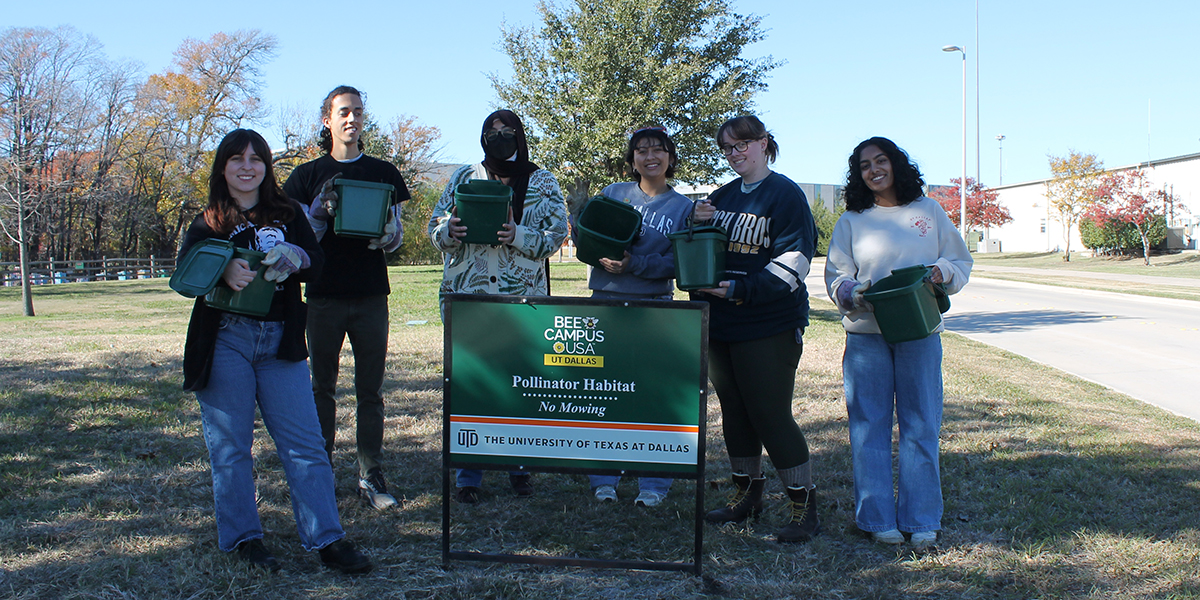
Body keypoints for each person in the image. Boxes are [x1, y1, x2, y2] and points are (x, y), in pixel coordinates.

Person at [178, 128, 372, 574]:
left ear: (266, 166)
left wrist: (296, 257)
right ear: (223, 167)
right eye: (237, 159)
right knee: (231, 448)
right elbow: (185, 275)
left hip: (279, 342)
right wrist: (221, 266)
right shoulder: (209, 221)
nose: (247, 167)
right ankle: (244, 539)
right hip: (225, 339)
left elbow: (316, 263)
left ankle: (328, 538)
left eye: (256, 159)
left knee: (304, 444)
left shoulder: (286, 213)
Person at [824, 137, 972, 548]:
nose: (874, 170)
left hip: (919, 335)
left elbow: (959, 261)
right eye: (865, 165)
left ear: (896, 163)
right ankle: (875, 518)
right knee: (868, 427)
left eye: (881, 160)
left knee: (921, 424)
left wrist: (942, 272)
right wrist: (852, 291)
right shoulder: (852, 220)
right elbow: (836, 275)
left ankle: (922, 518)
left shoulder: (928, 210)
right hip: (867, 340)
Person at [566, 126, 714, 507]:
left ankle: (654, 482)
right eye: (642, 150)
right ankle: (603, 477)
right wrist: (595, 249)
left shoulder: (683, 208)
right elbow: (587, 236)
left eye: (659, 150)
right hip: (606, 303)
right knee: (603, 391)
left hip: (654, 305)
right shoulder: (614, 194)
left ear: (670, 157)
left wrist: (636, 264)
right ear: (632, 160)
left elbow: (679, 264)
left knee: (654, 393)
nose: (651, 156)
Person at [428, 109, 568, 504]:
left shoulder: (541, 182)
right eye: (492, 131)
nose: (500, 137)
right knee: (472, 383)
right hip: (468, 297)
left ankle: (519, 467)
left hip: (522, 300)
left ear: (521, 136)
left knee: (519, 381)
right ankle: (468, 473)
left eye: (508, 132)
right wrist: (448, 231)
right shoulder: (464, 176)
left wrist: (517, 234)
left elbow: (557, 234)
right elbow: (434, 226)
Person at [693, 115, 821, 543]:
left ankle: (804, 505)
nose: (735, 153)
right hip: (722, 322)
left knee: (769, 412)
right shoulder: (721, 195)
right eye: (727, 148)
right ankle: (747, 496)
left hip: (768, 322)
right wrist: (698, 221)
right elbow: (701, 251)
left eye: (742, 144)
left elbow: (795, 263)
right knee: (734, 411)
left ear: (764, 143)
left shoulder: (785, 196)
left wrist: (741, 288)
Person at [283, 86, 411, 511]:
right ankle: (318, 475)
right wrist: (320, 210)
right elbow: (298, 242)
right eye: (343, 112)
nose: (351, 119)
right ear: (327, 120)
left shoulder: (384, 173)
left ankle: (370, 474)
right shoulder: (305, 176)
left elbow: (397, 236)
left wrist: (385, 235)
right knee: (321, 388)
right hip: (322, 296)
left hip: (372, 294)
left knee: (370, 390)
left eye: (357, 111)